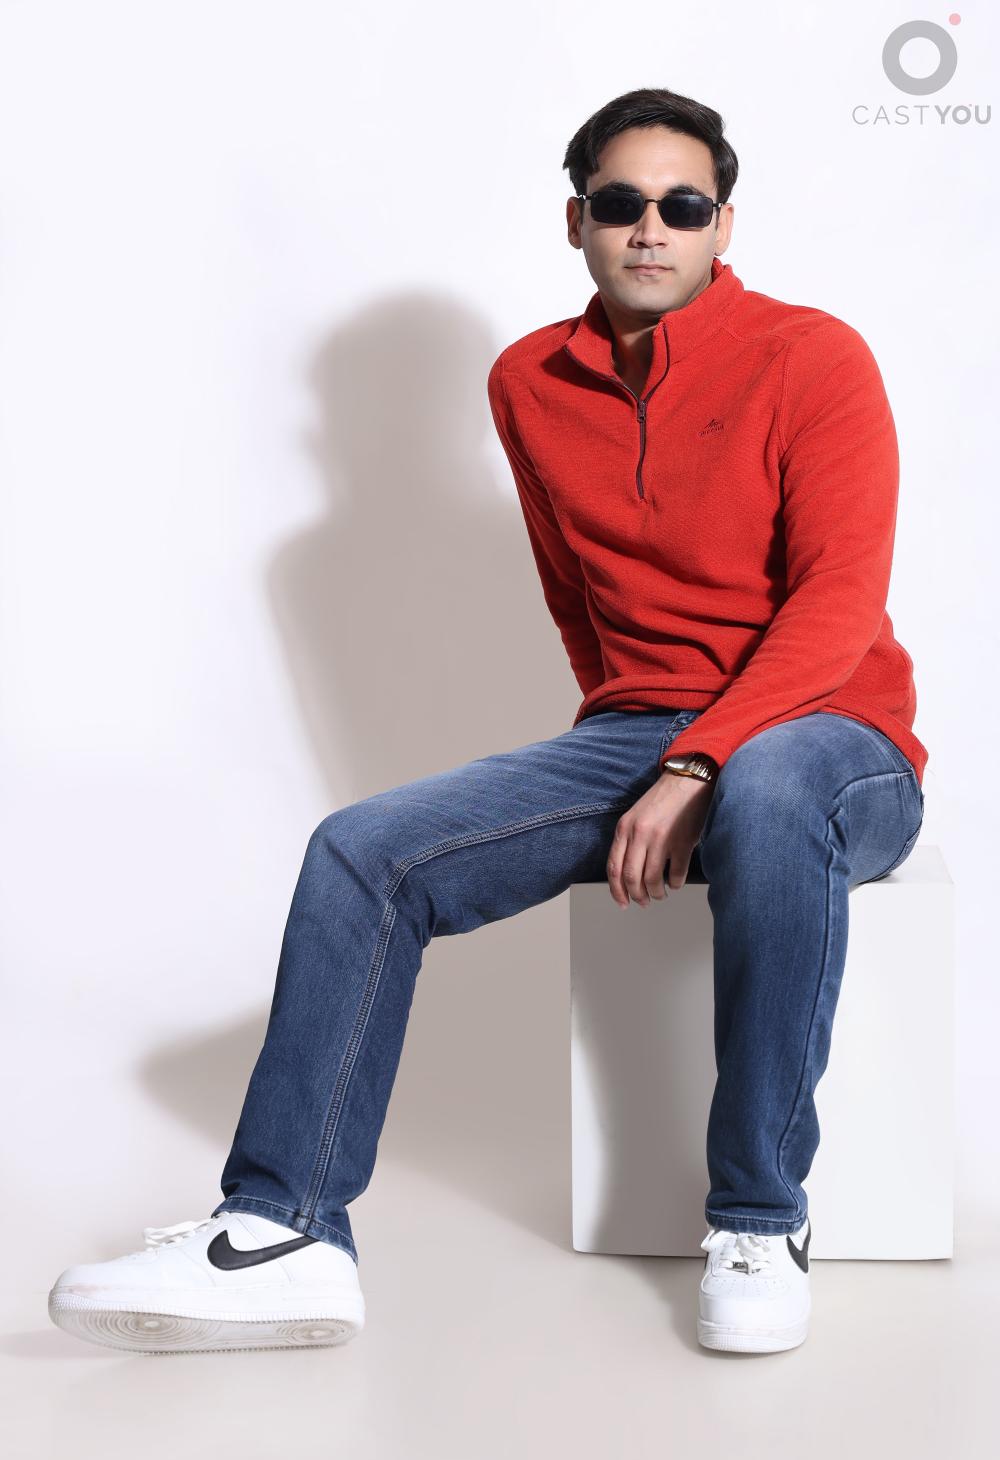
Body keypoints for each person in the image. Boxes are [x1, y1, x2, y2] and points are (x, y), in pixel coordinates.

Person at [48, 86, 927, 1357]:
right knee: (364, 850)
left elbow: (837, 604)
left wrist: (699, 763)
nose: (650, 228)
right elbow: (578, 599)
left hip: (831, 730)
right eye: (619, 202)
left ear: (723, 225)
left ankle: (756, 1217)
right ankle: (286, 1230)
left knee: (773, 788)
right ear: (577, 220)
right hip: (646, 729)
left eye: (683, 205)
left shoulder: (813, 356)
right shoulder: (528, 382)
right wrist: (634, 756)